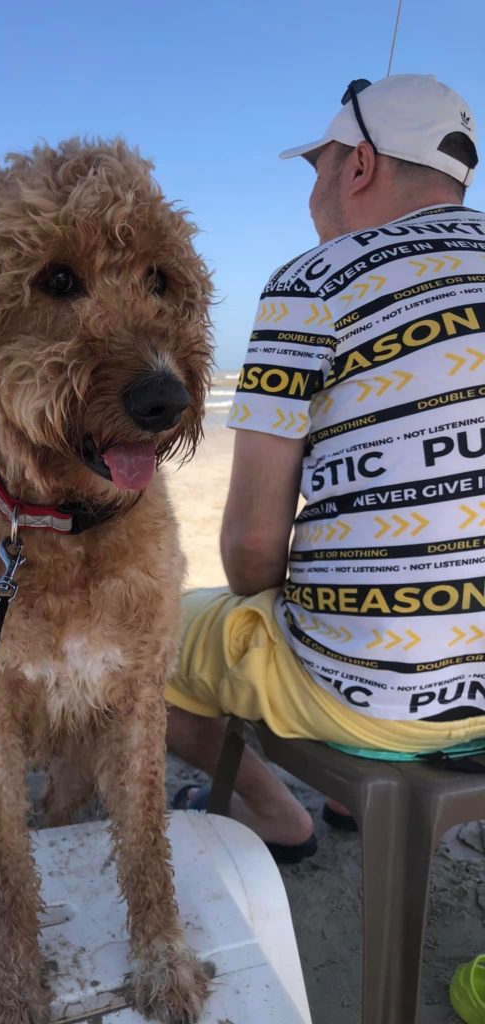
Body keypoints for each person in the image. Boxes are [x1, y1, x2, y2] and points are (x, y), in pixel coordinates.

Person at [165, 74, 485, 860]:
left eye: (317, 170)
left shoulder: (314, 283)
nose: (313, 195)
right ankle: (348, 797)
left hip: (378, 704)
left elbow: (248, 552)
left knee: (135, 638)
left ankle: (277, 815)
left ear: (361, 166)